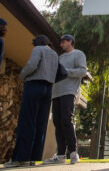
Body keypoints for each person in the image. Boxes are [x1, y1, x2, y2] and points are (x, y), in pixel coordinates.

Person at [4, 35, 58, 168]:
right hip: (48, 89)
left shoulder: (38, 49)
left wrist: (22, 75)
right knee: (40, 123)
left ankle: (20, 158)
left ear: (38, 42)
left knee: (27, 121)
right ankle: (34, 157)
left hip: (34, 85)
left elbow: (32, 65)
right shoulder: (55, 54)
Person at [44, 34, 87, 165]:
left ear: (70, 42)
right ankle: (61, 154)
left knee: (66, 120)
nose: (61, 45)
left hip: (69, 91)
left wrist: (66, 71)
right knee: (57, 122)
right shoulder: (60, 57)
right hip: (56, 92)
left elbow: (82, 71)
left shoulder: (78, 54)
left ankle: (74, 152)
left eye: (63, 42)